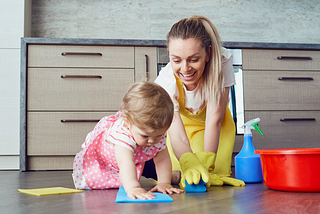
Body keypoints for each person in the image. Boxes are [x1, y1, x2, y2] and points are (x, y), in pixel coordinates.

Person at [149, 15, 245, 188]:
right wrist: (189, 162)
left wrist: (207, 166)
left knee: (213, 178)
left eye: (194, 60)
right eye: (176, 60)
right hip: (180, 129)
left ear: (208, 53)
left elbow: (214, 119)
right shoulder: (166, 81)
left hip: (216, 125)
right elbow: (176, 133)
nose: (185, 69)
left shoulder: (222, 61)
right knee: (181, 174)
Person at [72, 82, 184, 200]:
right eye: (145, 136)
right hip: (105, 159)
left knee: (146, 160)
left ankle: (167, 177)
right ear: (128, 123)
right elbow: (126, 162)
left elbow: (162, 159)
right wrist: (133, 187)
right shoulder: (122, 135)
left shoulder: (155, 132)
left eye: (158, 135)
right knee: (126, 168)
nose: (152, 140)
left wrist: (164, 183)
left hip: (137, 156)